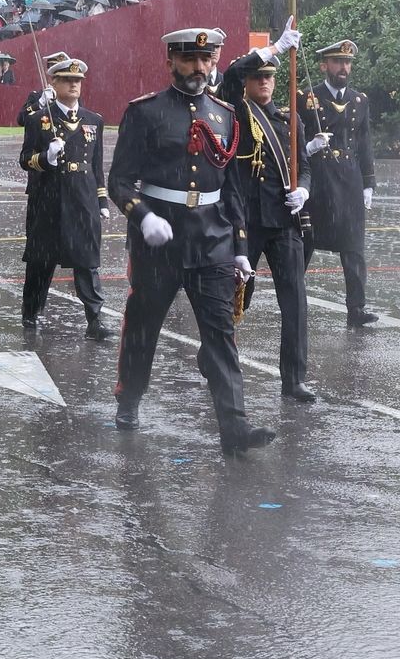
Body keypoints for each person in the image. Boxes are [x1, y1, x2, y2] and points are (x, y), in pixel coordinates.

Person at [108, 26, 273, 456]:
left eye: (206, 59)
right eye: (189, 60)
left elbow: (233, 188)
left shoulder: (225, 114)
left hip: (211, 240)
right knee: (144, 325)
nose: (199, 68)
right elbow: (119, 182)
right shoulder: (144, 112)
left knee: (220, 334)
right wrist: (141, 216)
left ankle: (234, 427)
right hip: (159, 242)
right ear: (171, 62)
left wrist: (239, 246)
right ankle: (129, 399)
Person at [224, 47, 317, 402]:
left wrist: (304, 192)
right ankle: (214, 351)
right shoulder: (234, 111)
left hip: (282, 220)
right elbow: (230, 74)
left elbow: (305, 167)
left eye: (269, 76)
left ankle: (293, 380)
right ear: (248, 82)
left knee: (294, 302)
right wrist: (274, 48)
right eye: (257, 76)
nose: (264, 82)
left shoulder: (289, 120)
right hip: (245, 219)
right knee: (238, 297)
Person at [19, 58, 111, 341]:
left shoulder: (94, 120)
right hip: (48, 197)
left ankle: (94, 318)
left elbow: (96, 167)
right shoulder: (39, 120)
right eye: (67, 80)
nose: (74, 84)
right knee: (41, 260)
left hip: (82, 199)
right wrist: (46, 158)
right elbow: (25, 160)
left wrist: (102, 201)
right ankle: (31, 311)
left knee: (87, 259)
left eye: (78, 80)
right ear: (54, 84)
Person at [301, 39, 377, 327]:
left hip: (349, 179)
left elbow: (365, 143)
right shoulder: (306, 97)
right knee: (306, 241)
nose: (343, 67)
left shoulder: (360, 100)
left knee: (354, 246)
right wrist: (308, 146)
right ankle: (295, 298)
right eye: (337, 62)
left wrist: (369, 184)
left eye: (347, 62)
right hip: (318, 178)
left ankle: (356, 308)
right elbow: (292, 138)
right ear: (324, 66)